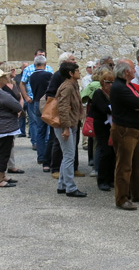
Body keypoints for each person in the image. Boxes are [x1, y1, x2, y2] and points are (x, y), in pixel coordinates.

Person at [110, 59, 139, 210]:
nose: (134, 71)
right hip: (124, 130)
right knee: (124, 165)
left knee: (137, 164)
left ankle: (138, 193)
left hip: (133, 130)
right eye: (132, 69)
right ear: (125, 72)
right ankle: (122, 198)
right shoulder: (119, 87)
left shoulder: (127, 85)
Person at [54, 62, 86, 198]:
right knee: (69, 157)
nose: (79, 72)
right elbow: (62, 107)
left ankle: (62, 185)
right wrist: (66, 128)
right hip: (65, 126)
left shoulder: (73, 85)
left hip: (71, 124)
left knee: (67, 156)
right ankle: (70, 187)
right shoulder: (67, 87)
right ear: (70, 73)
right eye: (77, 70)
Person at [19, 48, 53, 150]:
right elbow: (22, 83)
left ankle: (44, 142)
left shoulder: (49, 69)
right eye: (39, 55)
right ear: (35, 57)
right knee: (33, 122)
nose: (41, 57)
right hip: (32, 99)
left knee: (46, 121)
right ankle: (35, 142)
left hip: (46, 100)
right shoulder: (28, 69)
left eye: (43, 55)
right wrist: (26, 97)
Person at [88, 67, 115, 191]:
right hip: (102, 126)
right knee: (105, 152)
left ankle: (110, 179)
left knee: (112, 153)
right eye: (108, 82)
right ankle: (102, 180)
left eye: (112, 82)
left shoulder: (113, 94)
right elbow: (104, 109)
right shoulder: (98, 93)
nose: (110, 85)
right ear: (103, 82)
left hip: (112, 125)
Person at [28, 56, 53, 170]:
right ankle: (49, 156)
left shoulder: (32, 76)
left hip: (37, 102)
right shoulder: (48, 75)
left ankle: (41, 156)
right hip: (47, 102)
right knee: (50, 130)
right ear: (45, 63)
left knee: (40, 130)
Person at [0, 81, 22, 188]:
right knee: (3, 154)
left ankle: (2, 175)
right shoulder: (2, 94)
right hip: (5, 128)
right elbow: (17, 106)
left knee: (4, 153)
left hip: (4, 128)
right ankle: (0, 179)